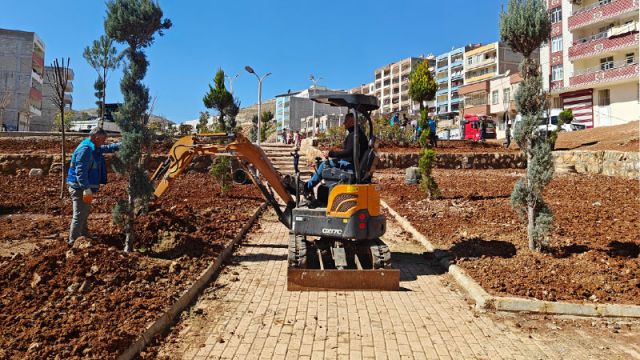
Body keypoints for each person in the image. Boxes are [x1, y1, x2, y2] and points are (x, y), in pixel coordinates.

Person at [66, 127, 120, 245]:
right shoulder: (85, 150)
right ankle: (73, 242)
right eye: (103, 139)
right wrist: (86, 188)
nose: (104, 142)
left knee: (84, 212)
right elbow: (80, 172)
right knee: (79, 215)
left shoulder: (92, 146)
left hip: (84, 187)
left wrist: (120, 145)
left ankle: (84, 234)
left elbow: (105, 148)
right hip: (79, 188)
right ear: (96, 138)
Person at [304, 113, 367, 197]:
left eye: (346, 121)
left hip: (350, 166)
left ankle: (307, 187)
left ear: (352, 122)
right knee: (326, 164)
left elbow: (349, 152)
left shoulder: (354, 135)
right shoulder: (359, 134)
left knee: (324, 165)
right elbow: (350, 151)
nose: (344, 123)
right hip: (354, 165)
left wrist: (331, 153)